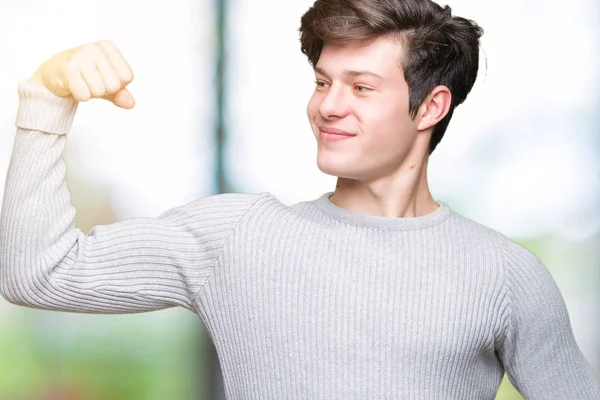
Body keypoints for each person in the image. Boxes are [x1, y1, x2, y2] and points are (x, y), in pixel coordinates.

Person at [1, 0, 599, 398]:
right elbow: (37, 274)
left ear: (431, 106)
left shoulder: (504, 275)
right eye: (322, 81)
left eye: (360, 86)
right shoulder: (237, 237)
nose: (328, 106)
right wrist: (46, 98)